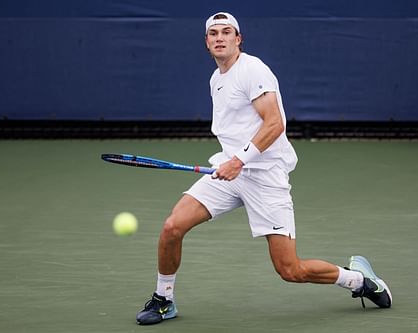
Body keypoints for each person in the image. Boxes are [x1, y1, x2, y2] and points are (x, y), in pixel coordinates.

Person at [136, 12, 392, 325]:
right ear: (206, 42)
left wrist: (240, 160)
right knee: (172, 227)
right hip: (229, 171)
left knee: (290, 270)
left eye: (226, 32)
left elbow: (275, 124)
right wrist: (232, 162)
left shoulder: (253, 70)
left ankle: (359, 281)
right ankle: (164, 299)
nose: (219, 38)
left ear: (238, 39)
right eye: (213, 33)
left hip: (264, 177)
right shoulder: (216, 80)